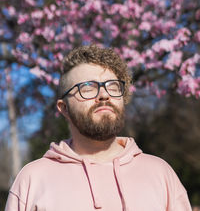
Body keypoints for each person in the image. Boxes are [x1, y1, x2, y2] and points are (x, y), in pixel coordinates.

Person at [5, 45, 192, 211]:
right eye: (87, 88)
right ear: (64, 108)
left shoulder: (160, 173)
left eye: (113, 86)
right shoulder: (32, 180)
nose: (104, 95)